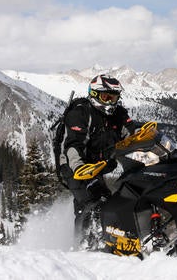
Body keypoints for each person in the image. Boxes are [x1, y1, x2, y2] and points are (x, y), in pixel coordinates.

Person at [58, 74, 135, 244]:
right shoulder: (81, 113)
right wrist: (78, 168)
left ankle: (109, 238)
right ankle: (84, 244)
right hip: (74, 165)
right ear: (94, 95)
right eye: (106, 97)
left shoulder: (117, 114)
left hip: (97, 166)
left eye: (114, 97)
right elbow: (73, 145)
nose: (110, 102)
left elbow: (133, 133)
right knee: (91, 202)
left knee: (109, 200)